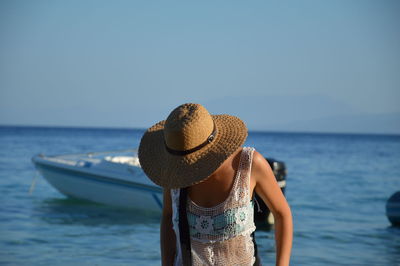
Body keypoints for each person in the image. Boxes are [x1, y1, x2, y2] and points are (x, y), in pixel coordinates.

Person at [138, 103, 292, 266]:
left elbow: (282, 214)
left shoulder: (248, 164)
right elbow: (168, 216)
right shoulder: (175, 172)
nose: (186, 166)